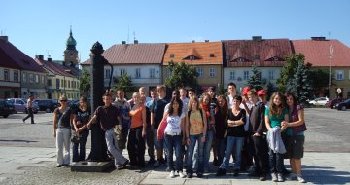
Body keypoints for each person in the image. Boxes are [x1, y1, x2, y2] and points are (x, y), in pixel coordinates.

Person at [86, 92, 129, 169]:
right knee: (110, 147)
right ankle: (123, 160)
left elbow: (119, 118)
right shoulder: (100, 108)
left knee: (118, 146)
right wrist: (89, 123)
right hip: (107, 130)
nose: (108, 100)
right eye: (106, 99)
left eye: (109, 99)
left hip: (116, 128)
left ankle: (118, 164)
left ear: (111, 100)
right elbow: (94, 117)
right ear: (103, 100)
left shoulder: (115, 108)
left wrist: (120, 127)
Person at [216, 95, 246, 176]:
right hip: (230, 135)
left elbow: (243, 122)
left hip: (240, 135)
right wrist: (237, 122)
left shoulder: (243, 111)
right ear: (232, 102)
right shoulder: (229, 111)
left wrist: (233, 122)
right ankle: (224, 167)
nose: (235, 102)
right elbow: (227, 123)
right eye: (234, 101)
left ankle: (236, 167)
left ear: (240, 102)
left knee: (238, 153)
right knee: (227, 152)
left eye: (237, 101)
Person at [158, 96, 186, 178]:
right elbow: (163, 122)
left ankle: (180, 170)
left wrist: (184, 136)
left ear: (179, 104)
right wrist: (159, 130)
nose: (175, 105)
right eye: (174, 103)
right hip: (168, 135)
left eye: (177, 103)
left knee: (178, 154)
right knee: (169, 153)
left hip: (178, 135)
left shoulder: (182, 113)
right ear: (171, 104)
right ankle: (171, 169)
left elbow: (183, 126)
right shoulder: (168, 112)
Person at [265, 92, 289, 182]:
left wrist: (280, 130)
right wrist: (270, 130)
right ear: (272, 99)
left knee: (279, 154)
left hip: (281, 133)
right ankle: (273, 172)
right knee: (271, 154)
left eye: (279, 99)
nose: (277, 100)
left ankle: (279, 173)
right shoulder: (268, 109)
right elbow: (266, 122)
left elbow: (286, 121)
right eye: (275, 98)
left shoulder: (284, 109)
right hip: (271, 134)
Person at [284, 92, 307, 183]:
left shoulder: (298, 107)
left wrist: (288, 124)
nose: (289, 101)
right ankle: (293, 172)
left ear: (294, 99)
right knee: (291, 155)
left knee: (297, 156)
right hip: (289, 135)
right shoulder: (286, 108)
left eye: (291, 99)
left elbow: (301, 121)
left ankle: (299, 174)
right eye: (287, 99)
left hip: (298, 134)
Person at [247, 90, 269, 181]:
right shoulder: (253, 106)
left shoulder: (261, 106)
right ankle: (257, 170)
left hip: (258, 134)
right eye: (249, 97)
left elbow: (262, 120)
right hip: (252, 133)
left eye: (252, 96)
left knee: (260, 154)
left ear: (256, 96)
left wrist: (259, 131)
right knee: (255, 153)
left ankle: (263, 173)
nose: (250, 98)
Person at [186, 97, 207, 178]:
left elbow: (205, 124)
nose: (194, 103)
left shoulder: (201, 111)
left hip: (200, 134)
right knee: (190, 153)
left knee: (200, 153)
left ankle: (199, 171)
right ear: (190, 103)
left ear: (197, 103)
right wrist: (187, 137)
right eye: (192, 102)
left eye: (195, 102)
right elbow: (187, 125)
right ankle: (189, 171)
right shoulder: (188, 112)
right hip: (191, 134)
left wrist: (204, 135)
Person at [53, 95, 74, 167]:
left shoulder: (69, 110)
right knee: (58, 147)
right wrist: (54, 130)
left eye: (65, 100)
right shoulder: (56, 110)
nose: (63, 102)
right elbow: (55, 121)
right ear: (59, 101)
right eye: (62, 100)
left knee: (67, 146)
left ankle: (66, 162)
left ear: (67, 101)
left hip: (67, 129)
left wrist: (72, 130)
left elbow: (72, 121)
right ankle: (59, 162)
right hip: (59, 129)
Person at [151, 85, 168, 167]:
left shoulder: (168, 101)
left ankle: (167, 160)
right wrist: (152, 122)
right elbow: (152, 112)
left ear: (164, 91)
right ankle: (159, 159)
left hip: (166, 126)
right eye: (158, 91)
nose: (159, 92)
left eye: (160, 90)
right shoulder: (155, 100)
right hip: (157, 125)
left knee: (166, 144)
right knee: (158, 143)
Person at [128, 93, 147, 167]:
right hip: (132, 128)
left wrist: (144, 130)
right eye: (134, 97)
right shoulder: (132, 106)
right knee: (130, 146)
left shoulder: (142, 107)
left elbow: (144, 120)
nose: (136, 98)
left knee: (140, 146)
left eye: (137, 97)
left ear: (139, 98)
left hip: (139, 127)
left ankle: (141, 162)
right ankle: (133, 161)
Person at [72, 96, 90, 162]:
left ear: (86, 102)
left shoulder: (89, 109)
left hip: (84, 130)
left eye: (83, 102)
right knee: (75, 145)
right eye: (81, 102)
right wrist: (76, 128)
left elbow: (89, 121)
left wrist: (82, 128)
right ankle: (75, 159)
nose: (82, 103)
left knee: (82, 145)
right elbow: (74, 120)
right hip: (76, 130)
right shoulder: (76, 109)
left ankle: (82, 159)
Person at [200, 92, 215, 172]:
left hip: (209, 131)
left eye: (208, 100)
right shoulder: (199, 108)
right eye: (205, 99)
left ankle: (206, 166)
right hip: (200, 131)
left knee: (207, 149)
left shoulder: (210, 108)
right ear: (202, 99)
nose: (206, 101)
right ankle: (199, 166)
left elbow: (213, 121)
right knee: (200, 149)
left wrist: (207, 122)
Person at [214, 95, 228, 166]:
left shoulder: (228, 111)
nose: (220, 102)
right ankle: (219, 163)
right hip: (216, 132)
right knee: (217, 148)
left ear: (225, 101)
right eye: (219, 101)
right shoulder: (216, 110)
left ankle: (222, 164)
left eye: (222, 101)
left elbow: (228, 122)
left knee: (222, 149)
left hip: (224, 132)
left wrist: (226, 132)